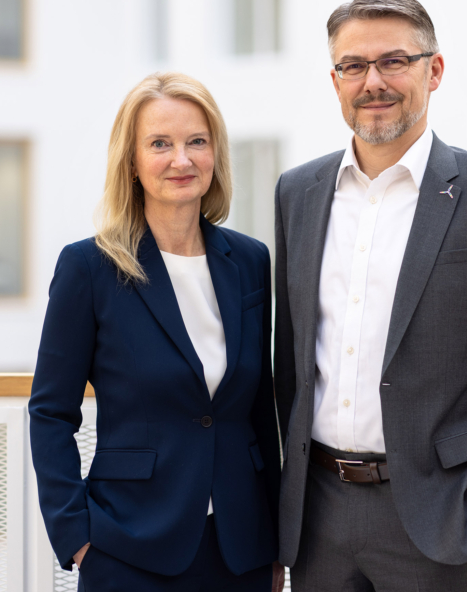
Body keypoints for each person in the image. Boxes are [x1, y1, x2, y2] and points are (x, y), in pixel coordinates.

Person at [272, 0, 467, 591]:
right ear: (335, 80)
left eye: (393, 61)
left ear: (433, 71)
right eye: (354, 66)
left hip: (441, 520)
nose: (373, 82)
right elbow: (290, 362)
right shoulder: (297, 192)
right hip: (317, 517)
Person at [29, 72, 285, 592]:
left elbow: (262, 410)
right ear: (132, 161)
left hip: (242, 548)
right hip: (129, 546)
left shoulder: (250, 261)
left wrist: (276, 540)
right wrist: (76, 535)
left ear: (216, 154)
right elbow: (51, 412)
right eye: (160, 144)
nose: (181, 160)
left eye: (197, 142)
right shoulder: (89, 268)